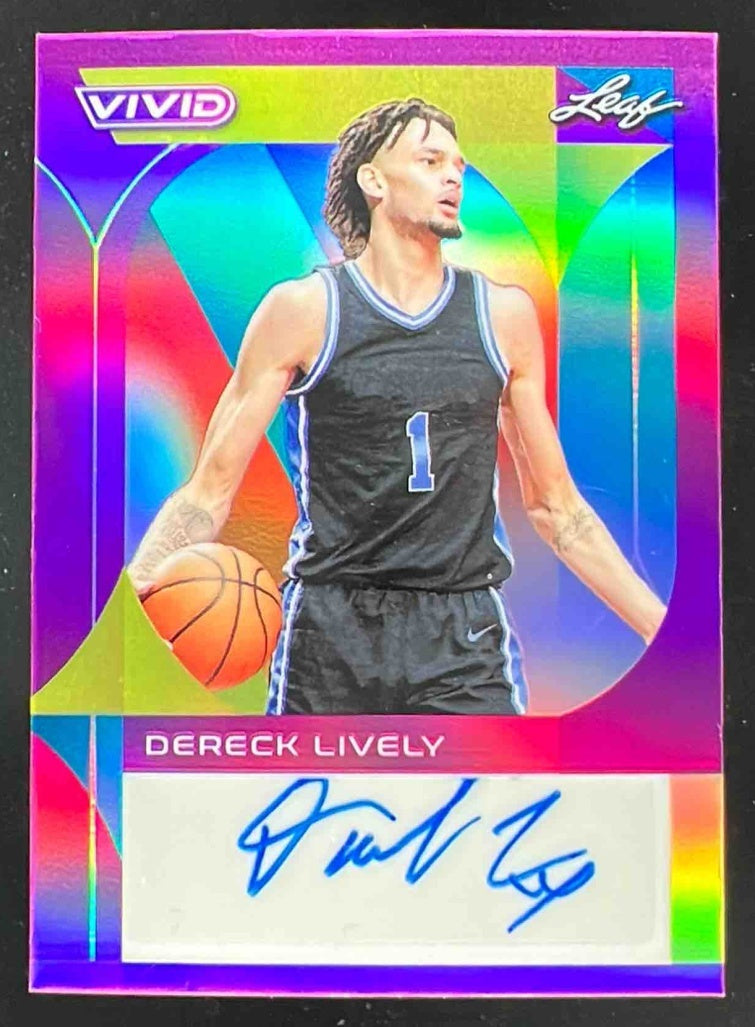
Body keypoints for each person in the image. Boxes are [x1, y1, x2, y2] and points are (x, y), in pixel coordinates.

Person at [128, 97, 667, 716]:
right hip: (330, 634)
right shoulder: (303, 311)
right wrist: (135, 601)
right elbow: (208, 492)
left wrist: (661, 630)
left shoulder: (503, 315)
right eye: (430, 160)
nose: (453, 177)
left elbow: (557, 509)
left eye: (458, 165)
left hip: (461, 637)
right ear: (374, 180)